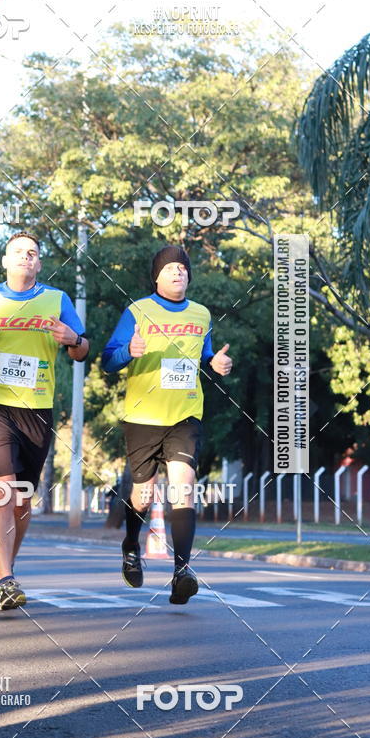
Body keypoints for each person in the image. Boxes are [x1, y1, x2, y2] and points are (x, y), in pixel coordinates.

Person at [0, 232, 89, 611]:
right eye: (18, 252)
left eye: (32, 254)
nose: (25, 258)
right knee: (5, 488)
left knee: (24, 499)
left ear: (39, 264)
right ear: (5, 261)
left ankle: (5, 570)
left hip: (37, 406)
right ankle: (7, 578)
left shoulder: (57, 300)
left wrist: (73, 337)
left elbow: (82, 350)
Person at [101, 245, 232, 604]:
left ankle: (182, 571)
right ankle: (131, 546)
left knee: (184, 487)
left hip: (185, 414)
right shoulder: (137, 311)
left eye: (182, 268)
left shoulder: (201, 314)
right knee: (142, 496)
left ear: (189, 275)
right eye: (170, 268)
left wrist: (215, 365)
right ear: (156, 276)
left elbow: (204, 357)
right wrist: (129, 350)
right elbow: (107, 361)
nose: (177, 272)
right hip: (143, 417)